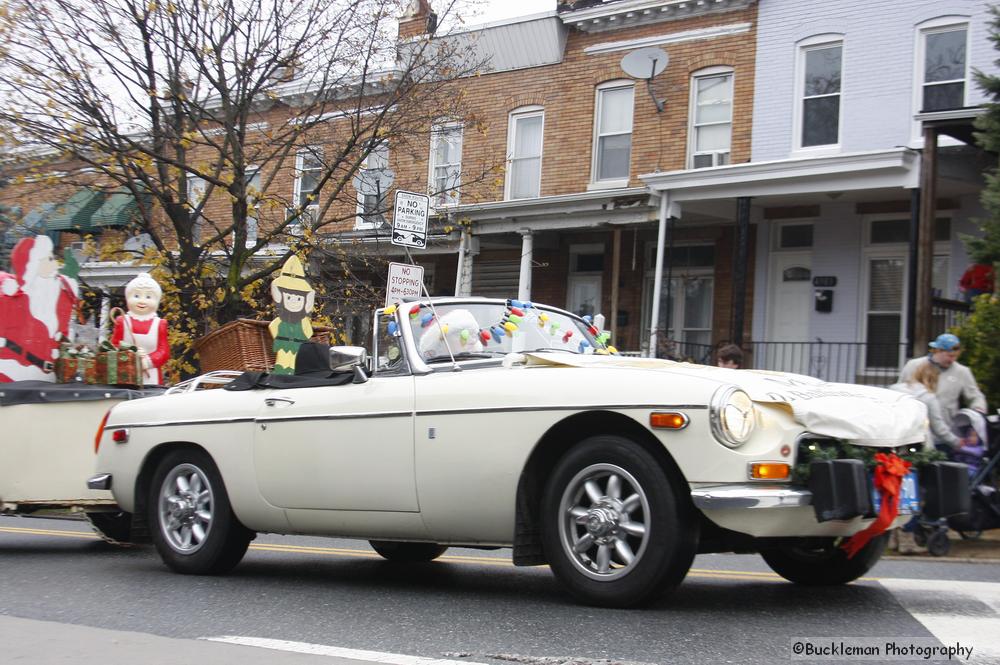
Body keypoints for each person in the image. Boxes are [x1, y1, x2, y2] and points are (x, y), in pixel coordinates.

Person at [0, 235, 79, 382]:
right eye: (49, 259)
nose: (55, 265)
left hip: (45, 376)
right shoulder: (15, 299)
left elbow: (63, 329)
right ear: (34, 264)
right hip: (12, 371)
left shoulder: (53, 299)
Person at [899, 333, 986, 428]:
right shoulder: (913, 365)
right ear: (937, 351)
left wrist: (978, 410)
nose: (952, 360)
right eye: (949, 356)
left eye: (955, 356)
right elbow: (899, 392)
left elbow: (975, 396)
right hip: (916, 426)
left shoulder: (962, 371)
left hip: (947, 429)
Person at [111, 272, 170, 385]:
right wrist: (129, 355)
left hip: (150, 375)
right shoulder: (122, 321)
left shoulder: (160, 324)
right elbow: (114, 346)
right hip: (126, 374)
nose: (142, 301)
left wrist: (148, 361)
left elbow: (164, 351)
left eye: (148, 297)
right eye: (136, 296)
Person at [889, 362, 959, 450]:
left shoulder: (894, 390)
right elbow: (938, 427)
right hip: (919, 444)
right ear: (934, 379)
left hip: (893, 440)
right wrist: (957, 442)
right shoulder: (929, 398)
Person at [268, 255, 315, 375]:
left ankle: (292, 372)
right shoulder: (280, 320)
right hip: (283, 346)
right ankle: (281, 372)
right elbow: (273, 326)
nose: (294, 302)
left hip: (298, 348)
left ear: (305, 302)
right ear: (281, 297)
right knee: (283, 361)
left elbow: (308, 332)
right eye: (289, 297)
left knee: (294, 362)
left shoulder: (303, 321)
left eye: (299, 299)